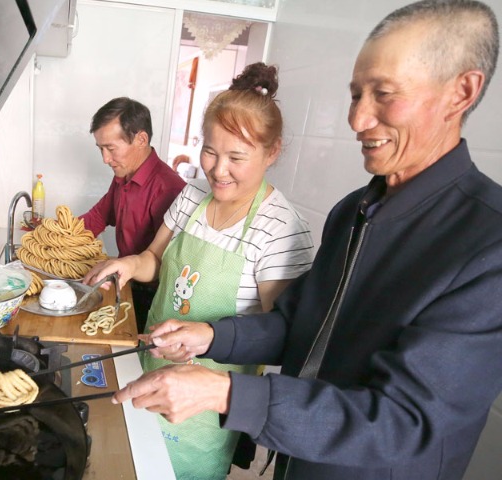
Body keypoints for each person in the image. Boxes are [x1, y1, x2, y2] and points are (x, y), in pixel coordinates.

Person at [111, 1, 502, 479]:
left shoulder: (487, 244)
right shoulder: (353, 212)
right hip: (297, 459)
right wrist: (211, 335)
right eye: (356, 94)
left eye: (384, 94)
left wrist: (227, 394)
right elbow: (298, 324)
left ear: (461, 92)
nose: (358, 119)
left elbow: (409, 423)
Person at [85, 63, 315, 479]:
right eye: (210, 151)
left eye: (236, 157)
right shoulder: (193, 194)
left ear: (273, 151)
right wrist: (128, 264)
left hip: (207, 402)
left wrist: (204, 342)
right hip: (150, 360)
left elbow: (279, 335)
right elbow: (154, 256)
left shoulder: (280, 229)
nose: (217, 170)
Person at [79, 97, 187, 330]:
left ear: (141, 139)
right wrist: (57, 235)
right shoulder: (123, 176)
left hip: (152, 298)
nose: (105, 159)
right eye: (101, 149)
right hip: (125, 281)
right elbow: (98, 216)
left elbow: (167, 265)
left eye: (111, 149)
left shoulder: (169, 189)